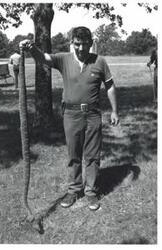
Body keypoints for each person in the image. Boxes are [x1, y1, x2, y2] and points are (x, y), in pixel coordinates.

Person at [20, 26, 119, 210]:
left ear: (91, 43)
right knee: (74, 155)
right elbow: (44, 58)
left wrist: (114, 111)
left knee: (92, 155)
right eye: (77, 44)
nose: (81, 48)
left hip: (93, 114)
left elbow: (110, 86)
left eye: (84, 44)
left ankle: (91, 192)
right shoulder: (64, 59)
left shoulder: (100, 62)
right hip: (71, 114)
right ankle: (74, 189)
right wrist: (32, 48)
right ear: (72, 43)